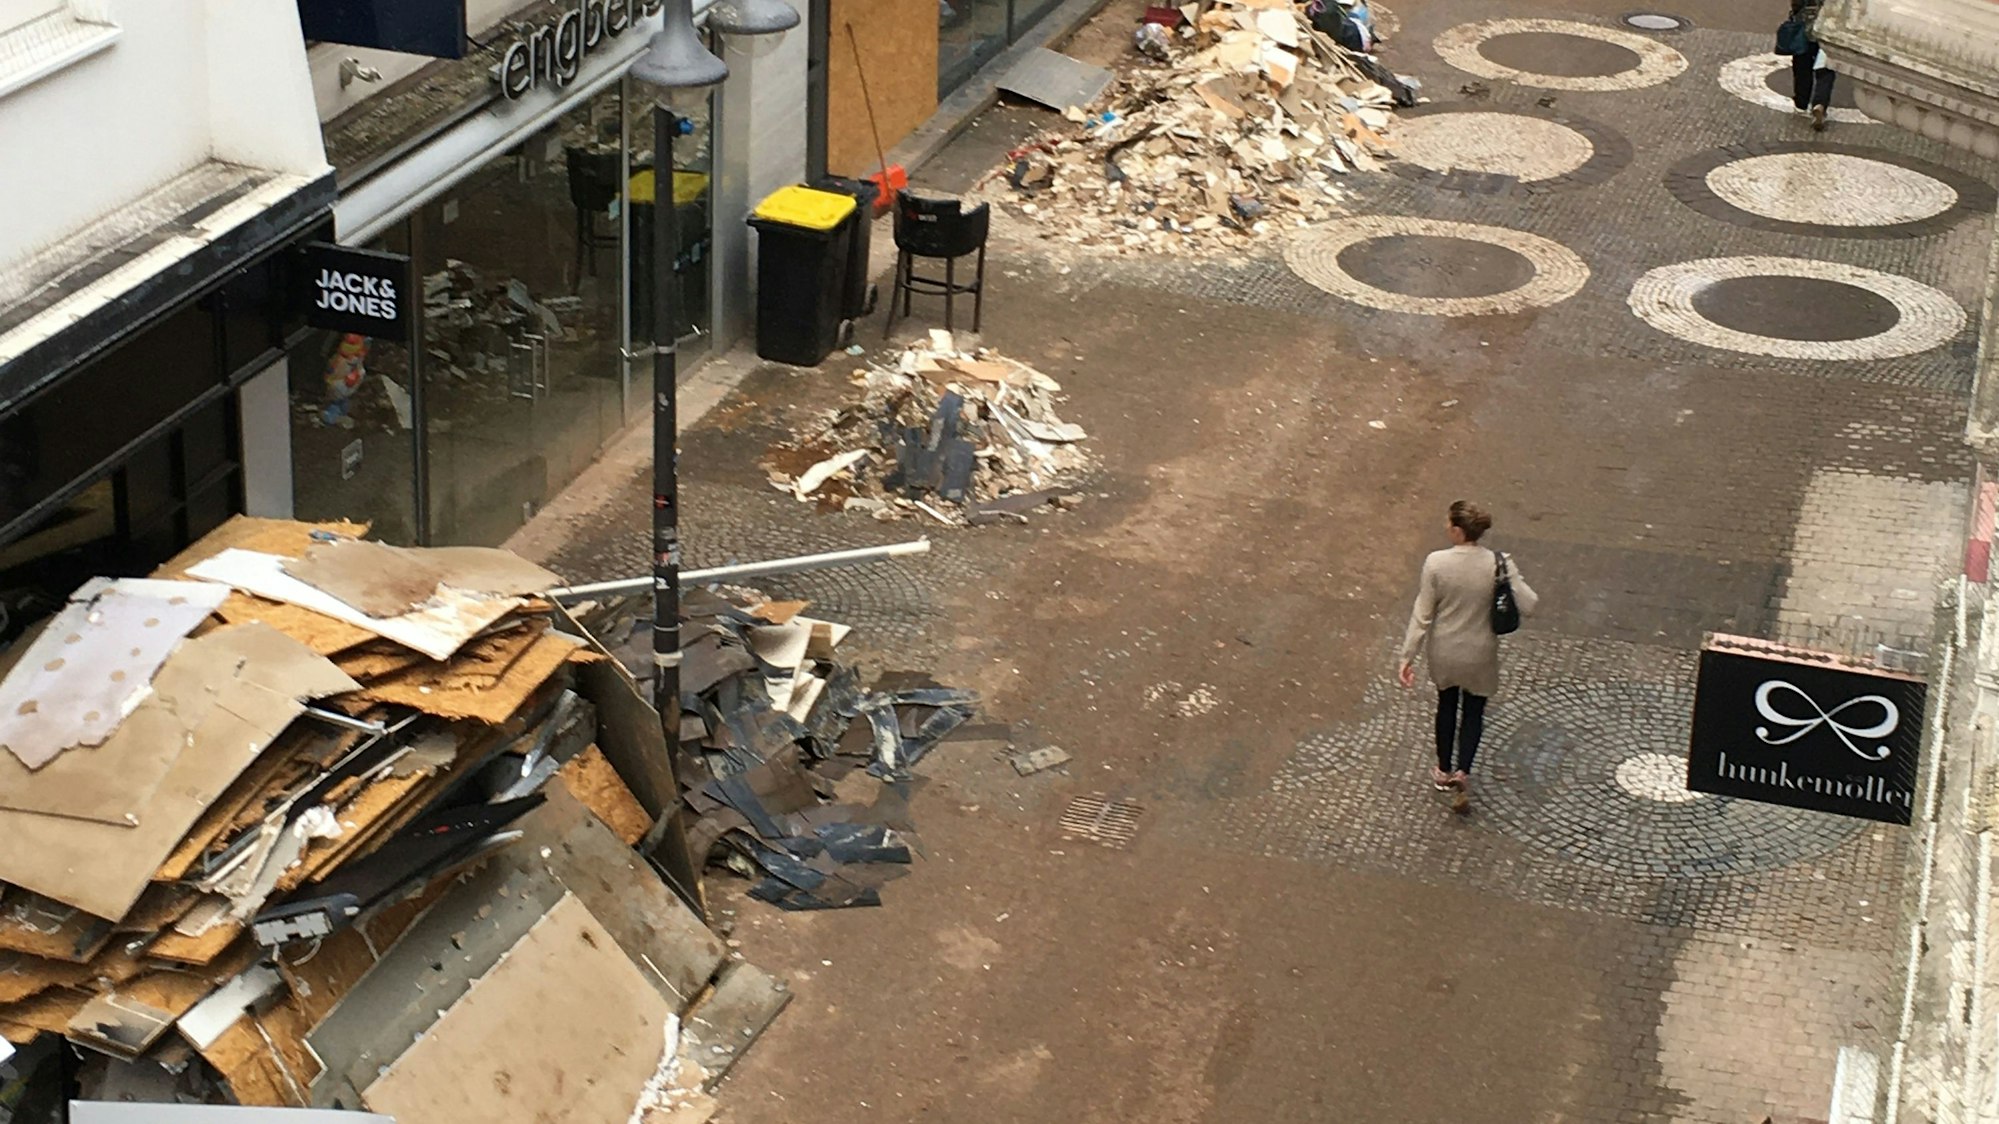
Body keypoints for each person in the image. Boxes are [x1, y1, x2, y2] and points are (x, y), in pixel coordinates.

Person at [1396, 501, 1539, 811]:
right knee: (1474, 711)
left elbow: (1422, 614)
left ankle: (1443, 770)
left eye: (1448, 524)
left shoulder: (1436, 563)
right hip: (1481, 653)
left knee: (1446, 706)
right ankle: (1463, 770)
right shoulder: (1499, 563)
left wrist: (1407, 655)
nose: (1445, 528)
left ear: (1458, 531)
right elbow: (1529, 603)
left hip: (1445, 651)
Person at [1787, 0, 1836, 131]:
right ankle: (1820, 104)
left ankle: (1801, 102)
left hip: (1805, 24)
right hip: (1829, 25)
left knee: (1802, 64)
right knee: (1826, 67)